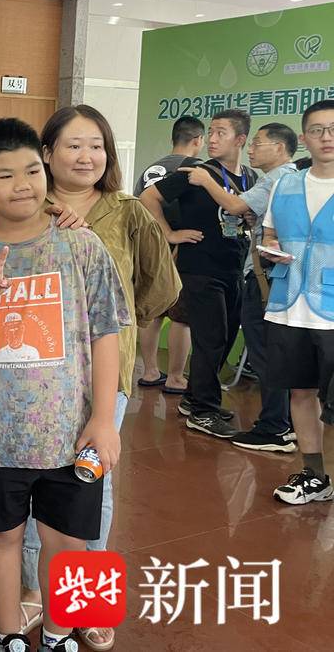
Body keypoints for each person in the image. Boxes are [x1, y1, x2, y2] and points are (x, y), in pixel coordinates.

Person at [0, 117, 128, 652]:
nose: (22, 185)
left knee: (71, 538)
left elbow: (106, 333)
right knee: (0, 537)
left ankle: (63, 632)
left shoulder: (80, 245)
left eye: (32, 171)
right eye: (5, 175)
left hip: (71, 433)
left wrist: (103, 418)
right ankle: (9, 634)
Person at [19, 105, 180, 652]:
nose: (86, 156)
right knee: (32, 483)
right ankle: (37, 591)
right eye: (73, 145)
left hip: (102, 375)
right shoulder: (23, 205)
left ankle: (86, 602)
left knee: (93, 486)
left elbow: (161, 286)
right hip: (31, 375)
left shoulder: (128, 212)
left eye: (97, 146)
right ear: (47, 153)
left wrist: (121, 326)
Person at [178, 122, 300, 453]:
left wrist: (206, 181)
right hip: (265, 275)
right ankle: (279, 422)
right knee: (252, 346)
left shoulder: (274, 178)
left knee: (262, 351)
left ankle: (273, 427)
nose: (252, 150)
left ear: (279, 148)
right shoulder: (293, 180)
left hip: (263, 275)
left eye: (257, 143)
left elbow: (234, 207)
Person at [140, 109, 258, 439]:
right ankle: (203, 411)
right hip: (199, 268)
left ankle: (194, 398)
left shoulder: (249, 177)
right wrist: (169, 233)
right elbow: (149, 197)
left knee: (227, 337)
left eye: (222, 133)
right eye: (212, 132)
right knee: (210, 338)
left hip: (233, 265)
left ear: (240, 139)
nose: (213, 139)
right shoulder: (196, 172)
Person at [261, 100, 334, 505]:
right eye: (318, 130)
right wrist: (271, 249)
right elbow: (270, 233)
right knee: (300, 393)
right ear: (304, 137)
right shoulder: (285, 185)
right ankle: (315, 476)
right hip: (289, 306)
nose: (327, 137)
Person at [133, 116, 205, 390]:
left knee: (153, 313)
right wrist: (171, 235)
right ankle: (175, 377)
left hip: (146, 247)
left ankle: (150, 371)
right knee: (181, 317)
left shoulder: (150, 169)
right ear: (198, 140)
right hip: (177, 248)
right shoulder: (194, 169)